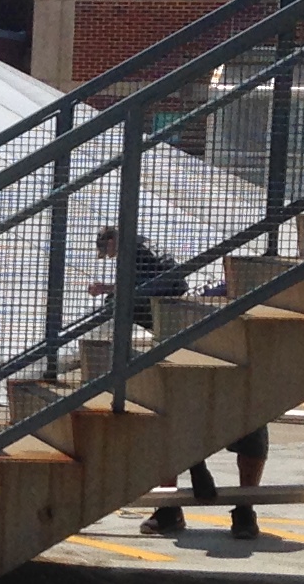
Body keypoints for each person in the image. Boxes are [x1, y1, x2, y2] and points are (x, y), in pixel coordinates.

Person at [89, 231, 267, 541]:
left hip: (201, 346)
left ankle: (237, 506)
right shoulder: (141, 259)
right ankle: (178, 504)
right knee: (170, 416)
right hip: (180, 345)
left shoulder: (139, 257)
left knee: (247, 422)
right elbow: (166, 286)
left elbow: (168, 285)